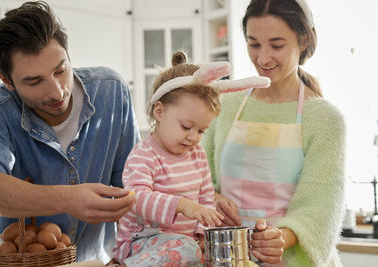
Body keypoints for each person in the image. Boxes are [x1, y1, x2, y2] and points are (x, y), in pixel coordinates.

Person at [0, 1, 138, 263]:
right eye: (34, 81)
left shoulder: (112, 92)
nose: (57, 92)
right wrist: (66, 199)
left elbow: (135, 183)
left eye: (60, 70)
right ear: (6, 80)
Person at [202, 0, 346, 266]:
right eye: (253, 43)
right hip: (227, 258)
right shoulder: (226, 104)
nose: (263, 58)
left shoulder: (325, 119)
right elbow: (195, 174)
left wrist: (281, 236)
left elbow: (321, 207)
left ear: (303, 41)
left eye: (277, 45)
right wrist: (213, 198)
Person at [111, 51, 270, 266]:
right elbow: (136, 198)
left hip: (188, 245)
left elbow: (206, 200)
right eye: (186, 126)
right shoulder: (143, 155)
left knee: (236, 258)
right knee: (187, 249)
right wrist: (183, 205)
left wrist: (204, 235)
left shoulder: (197, 155)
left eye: (202, 130)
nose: (193, 137)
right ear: (159, 111)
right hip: (141, 243)